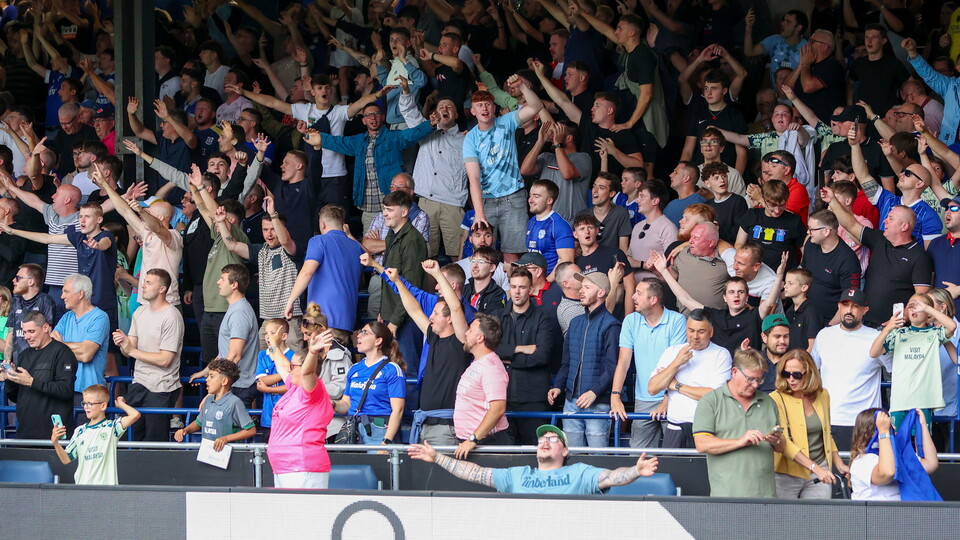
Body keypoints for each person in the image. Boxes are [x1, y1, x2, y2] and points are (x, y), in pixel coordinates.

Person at [408, 424, 659, 494]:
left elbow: (613, 477)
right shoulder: (518, 475)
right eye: (541, 440)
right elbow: (475, 472)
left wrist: (635, 471)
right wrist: (438, 458)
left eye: (553, 439)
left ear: (566, 451)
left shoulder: (580, 473)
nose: (545, 442)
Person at [822, 185, 932, 327]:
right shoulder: (880, 239)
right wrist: (832, 200)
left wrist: (901, 319)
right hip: (865, 323)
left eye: (890, 218)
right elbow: (851, 225)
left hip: (893, 327)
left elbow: (921, 295)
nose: (885, 221)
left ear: (904, 226)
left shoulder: (919, 256)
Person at [391, 263, 470, 446]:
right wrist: (398, 282)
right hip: (425, 423)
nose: (431, 317)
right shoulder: (434, 337)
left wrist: (437, 274)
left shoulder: (461, 341)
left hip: (445, 426)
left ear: (449, 318)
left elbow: (456, 308)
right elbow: (414, 310)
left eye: (435, 314)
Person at [464, 83, 544, 264]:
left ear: (494, 107)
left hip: (513, 196)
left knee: (513, 255)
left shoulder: (507, 121)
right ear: (473, 111)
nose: (484, 108)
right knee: (484, 254)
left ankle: (511, 292)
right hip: (486, 199)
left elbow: (536, 106)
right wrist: (478, 212)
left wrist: (522, 86)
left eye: (487, 104)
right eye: (479, 105)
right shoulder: (470, 138)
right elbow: (473, 178)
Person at [693, 348, 786, 497]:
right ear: (734, 372)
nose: (755, 385)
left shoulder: (769, 402)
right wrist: (740, 441)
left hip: (765, 496)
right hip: (726, 496)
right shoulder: (711, 401)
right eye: (750, 379)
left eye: (759, 380)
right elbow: (702, 444)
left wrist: (777, 440)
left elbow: (781, 448)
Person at [549, 272, 620, 447]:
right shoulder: (575, 323)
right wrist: (558, 386)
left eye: (587, 287)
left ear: (602, 292)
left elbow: (613, 367)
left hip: (598, 403)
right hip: (571, 400)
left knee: (598, 458)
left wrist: (594, 392)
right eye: (581, 287)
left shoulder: (612, 325)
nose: (581, 291)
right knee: (571, 456)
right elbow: (567, 362)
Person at [113, 268, 183, 442]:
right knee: (127, 437)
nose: (143, 285)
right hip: (139, 383)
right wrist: (123, 343)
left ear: (162, 289)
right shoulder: (140, 312)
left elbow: (166, 359)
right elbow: (128, 351)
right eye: (144, 281)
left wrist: (131, 350)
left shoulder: (172, 316)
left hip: (162, 387)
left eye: (149, 282)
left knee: (154, 441)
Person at [870, 294, 957, 430]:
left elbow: (952, 326)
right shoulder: (898, 334)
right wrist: (888, 328)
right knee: (897, 445)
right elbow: (873, 353)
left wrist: (927, 307)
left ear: (928, 313)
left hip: (923, 401)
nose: (913, 309)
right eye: (910, 305)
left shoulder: (934, 333)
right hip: (899, 401)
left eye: (918, 306)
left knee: (921, 445)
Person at [648, 309, 734, 448]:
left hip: (706, 430)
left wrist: (676, 385)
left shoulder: (721, 354)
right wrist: (677, 362)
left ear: (711, 332)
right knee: (672, 469)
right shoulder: (673, 351)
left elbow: (715, 396)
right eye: (691, 330)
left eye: (701, 331)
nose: (695, 336)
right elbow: (652, 388)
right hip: (675, 428)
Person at [769, 350, 847, 499]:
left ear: (809, 373)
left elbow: (826, 434)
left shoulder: (823, 395)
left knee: (817, 520)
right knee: (783, 520)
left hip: (819, 469)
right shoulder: (775, 398)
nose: (791, 379)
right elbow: (784, 442)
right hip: (786, 473)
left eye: (797, 375)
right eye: (787, 374)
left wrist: (839, 463)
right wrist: (814, 467)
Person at [267, 331, 336, 489]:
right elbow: (281, 365)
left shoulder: (312, 389)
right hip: (283, 467)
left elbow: (307, 372)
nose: (290, 369)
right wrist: (274, 344)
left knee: (303, 513)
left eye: (293, 366)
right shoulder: (294, 387)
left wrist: (312, 352)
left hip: (303, 466)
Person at [496, 267, 558, 445]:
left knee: (535, 452)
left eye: (522, 287)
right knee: (505, 455)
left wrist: (507, 358)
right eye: (513, 286)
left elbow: (542, 356)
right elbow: (490, 350)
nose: (517, 292)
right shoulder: (498, 317)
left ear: (531, 289)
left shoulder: (543, 318)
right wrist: (520, 349)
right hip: (502, 396)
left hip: (533, 398)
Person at [286, 204, 364, 334]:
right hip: (347, 319)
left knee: (320, 354)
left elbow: (307, 272)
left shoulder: (318, 241)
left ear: (322, 224)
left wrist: (291, 300)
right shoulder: (356, 247)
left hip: (322, 319)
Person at [2, 310, 76, 439]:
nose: (26, 337)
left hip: (52, 436)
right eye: (24, 332)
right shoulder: (24, 355)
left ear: (46, 328)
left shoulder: (63, 352)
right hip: (25, 432)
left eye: (31, 331)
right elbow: (16, 397)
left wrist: (31, 382)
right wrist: (11, 378)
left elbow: (65, 390)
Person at [334, 322, 406, 447]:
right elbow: (346, 404)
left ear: (378, 341)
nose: (359, 336)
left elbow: (398, 410)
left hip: (379, 429)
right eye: (360, 332)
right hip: (354, 428)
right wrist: (333, 404)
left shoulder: (391, 369)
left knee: (378, 466)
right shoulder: (354, 368)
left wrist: (386, 441)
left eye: (365, 333)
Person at [51, 385, 141, 485]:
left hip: (106, 490)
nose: (86, 407)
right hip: (82, 487)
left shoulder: (112, 427)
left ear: (103, 406)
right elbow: (66, 459)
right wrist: (55, 442)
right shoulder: (79, 431)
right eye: (84, 403)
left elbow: (135, 415)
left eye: (90, 404)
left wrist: (121, 404)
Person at [849, 408, 939, 501]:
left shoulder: (898, 455)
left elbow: (931, 464)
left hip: (902, 512)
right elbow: (887, 473)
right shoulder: (862, 461)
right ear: (873, 433)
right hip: (874, 513)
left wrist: (922, 425)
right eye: (890, 426)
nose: (894, 428)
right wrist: (884, 432)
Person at [454, 313, 511, 458]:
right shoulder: (479, 363)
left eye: (471, 330)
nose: (466, 333)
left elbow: (498, 409)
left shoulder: (491, 367)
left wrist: (473, 439)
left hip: (486, 444)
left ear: (480, 338)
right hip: (473, 443)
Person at [174, 359, 257, 449]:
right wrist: (185, 430)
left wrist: (226, 439)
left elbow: (251, 430)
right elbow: (199, 422)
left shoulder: (234, 402)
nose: (207, 379)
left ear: (224, 381)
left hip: (227, 455)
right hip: (206, 452)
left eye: (211, 376)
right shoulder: (209, 399)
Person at [51, 274, 109, 396]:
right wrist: (77, 348)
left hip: (91, 392)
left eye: (66, 292)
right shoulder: (66, 317)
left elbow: (86, 354)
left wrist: (62, 345)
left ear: (81, 294)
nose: (62, 296)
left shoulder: (99, 317)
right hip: (64, 388)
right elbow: (51, 347)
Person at [4, 264, 55, 364]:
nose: (13, 280)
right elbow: (10, 334)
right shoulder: (15, 301)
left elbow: (48, 333)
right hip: (17, 363)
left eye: (18, 278)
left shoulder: (45, 300)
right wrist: (6, 362)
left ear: (31, 281)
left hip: (37, 363)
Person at [525, 179, 575, 279]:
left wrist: (546, 284)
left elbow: (567, 261)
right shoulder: (531, 221)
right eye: (530, 195)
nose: (530, 200)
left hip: (550, 283)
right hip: (532, 282)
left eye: (536, 196)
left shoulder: (559, 225)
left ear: (549, 200)